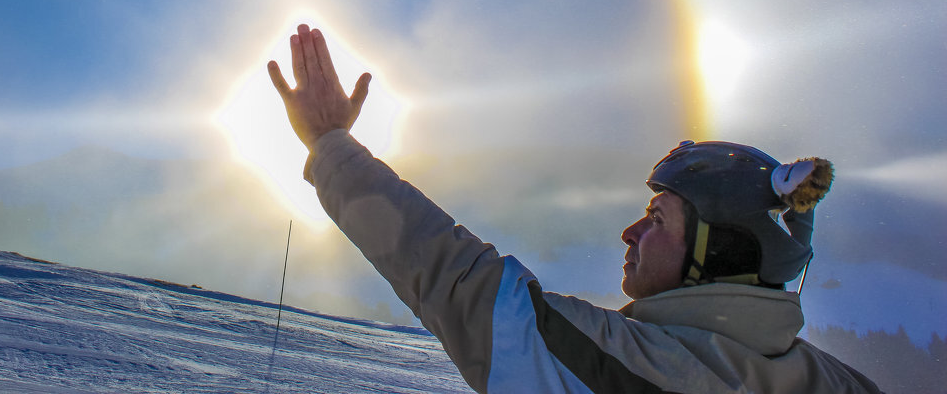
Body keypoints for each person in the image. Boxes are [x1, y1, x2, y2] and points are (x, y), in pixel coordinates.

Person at [268, 24, 881, 394]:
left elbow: (468, 288)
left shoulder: (643, 368)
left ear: (717, 251)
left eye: (657, 218)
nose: (630, 232)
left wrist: (330, 144)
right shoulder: (842, 382)